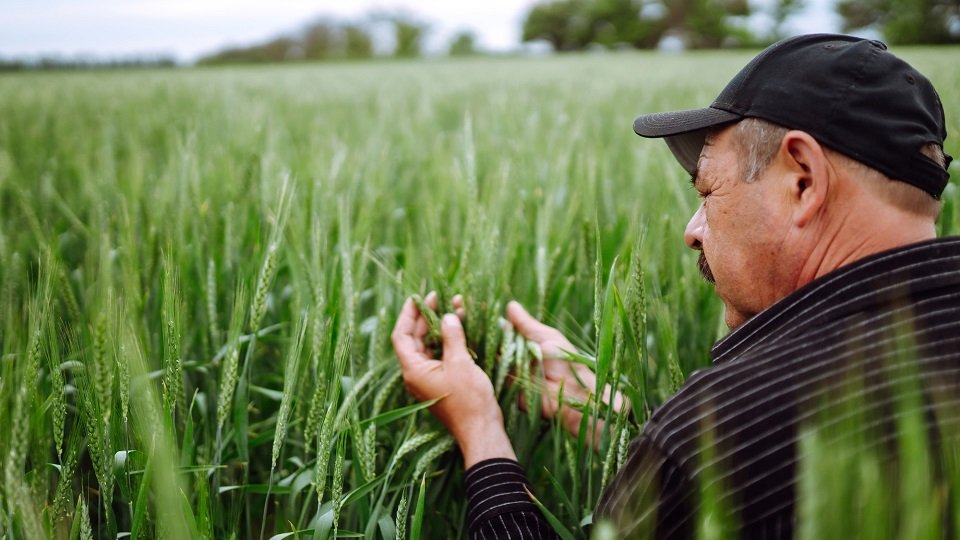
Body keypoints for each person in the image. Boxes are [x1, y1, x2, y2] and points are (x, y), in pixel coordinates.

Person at [392, 33, 959, 539]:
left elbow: (748, 457)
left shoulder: (729, 426)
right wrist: (616, 423)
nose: (692, 231)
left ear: (804, 180)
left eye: (708, 192)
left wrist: (482, 435)